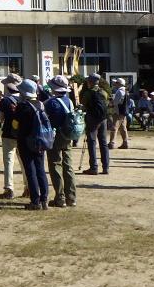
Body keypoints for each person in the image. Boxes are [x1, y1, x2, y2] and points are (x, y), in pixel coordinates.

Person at [13, 79, 50, 210]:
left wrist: (14, 113)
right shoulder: (41, 104)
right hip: (40, 140)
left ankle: (35, 201)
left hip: (25, 141)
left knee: (30, 170)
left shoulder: (22, 106)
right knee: (40, 169)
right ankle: (44, 198)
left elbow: (15, 125)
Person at [45, 75, 77, 208]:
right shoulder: (69, 101)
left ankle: (60, 197)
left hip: (55, 135)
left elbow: (47, 120)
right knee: (68, 165)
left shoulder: (51, 103)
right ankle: (71, 197)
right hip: (68, 135)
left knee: (55, 165)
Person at [0, 73, 22, 199]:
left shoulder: (5, 100)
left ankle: (9, 188)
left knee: (9, 162)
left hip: (8, 134)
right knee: (24, 162)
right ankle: (28, 187)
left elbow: (0, 118)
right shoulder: (23, 98)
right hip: (22, 134)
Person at [79, 73, 110, 175]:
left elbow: (83, 104)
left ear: (91, 82)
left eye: (88, 81)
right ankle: (106, 167)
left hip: (92, 118)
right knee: (103, 142)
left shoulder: (88, 92)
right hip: (103, 119)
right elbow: (107, 104)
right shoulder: (104, 92)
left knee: (92, 142)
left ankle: (93, 168)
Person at [108, 78, 131, 150]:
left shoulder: (120, 91)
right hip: (123, 112)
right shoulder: (125, 91)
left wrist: (110, 102)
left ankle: (112, 143)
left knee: (114, 127)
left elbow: (116, 103)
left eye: (116, 83)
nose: (115, 84)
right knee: (123, 128)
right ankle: (125, 142)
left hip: (118, 111)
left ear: (119, 84)